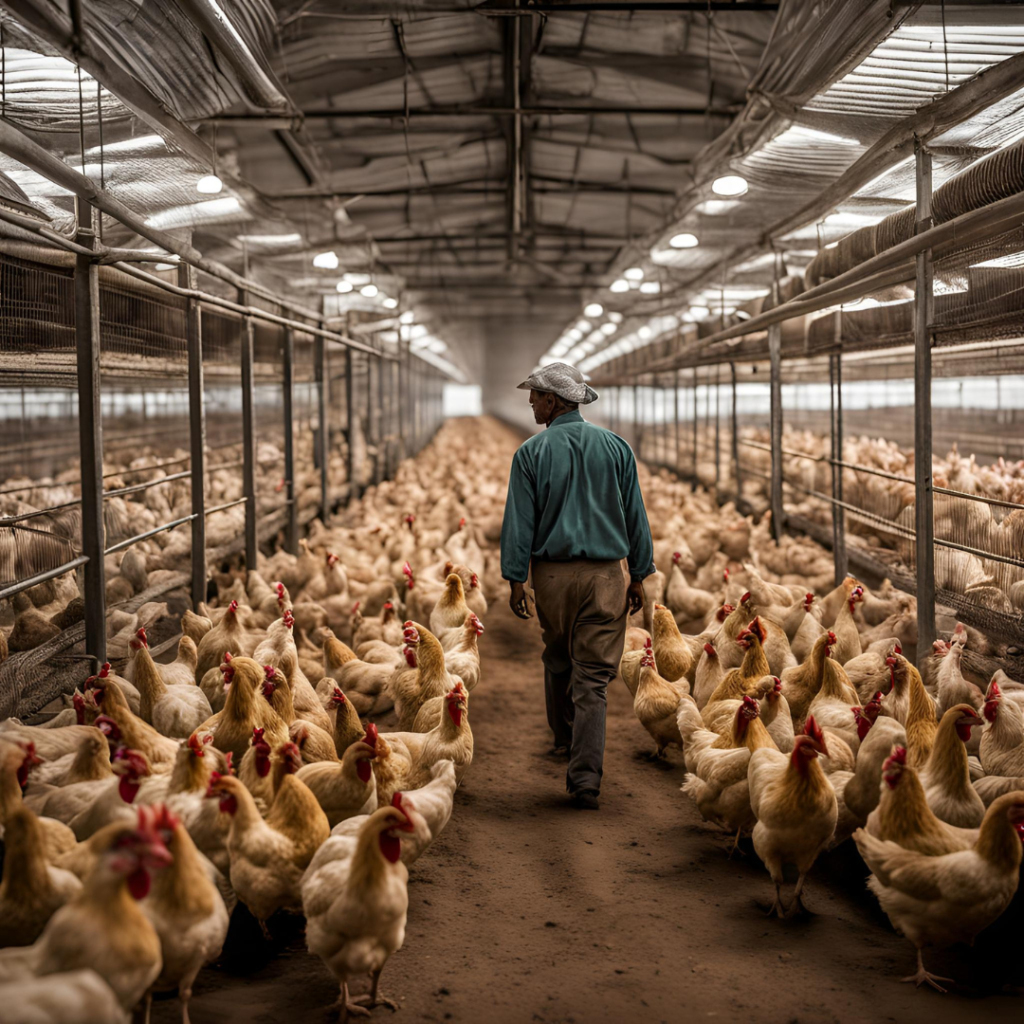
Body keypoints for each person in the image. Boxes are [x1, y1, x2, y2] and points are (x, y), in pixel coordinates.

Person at [500, 362, 655, 810]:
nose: (530, 402)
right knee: (594, 679)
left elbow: (519, 523)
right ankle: (585, 778)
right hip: (607, 575)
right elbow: (635, 516)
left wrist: (515, 578)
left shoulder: (531, 453)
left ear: (554, 401)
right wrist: (640, 573)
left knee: (558, 657)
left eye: (536, 395)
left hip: (552, 578)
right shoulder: (616, 447)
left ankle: (564, 737)